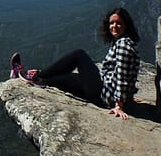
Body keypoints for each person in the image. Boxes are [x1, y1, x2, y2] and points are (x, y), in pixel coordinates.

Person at [10, 7, 140, 120]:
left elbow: (123, 77)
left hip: (103, 93)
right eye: (112, 23)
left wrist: (119, 105)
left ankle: (35, 76)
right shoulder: (125, 42)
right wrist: (129, 98)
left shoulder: (123, 45)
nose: (114, 26)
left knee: (79, 55)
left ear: (126, 25)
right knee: (62, 79)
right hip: (104, 90)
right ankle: (33, 77)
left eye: (119, 23)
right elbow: (129, 75)